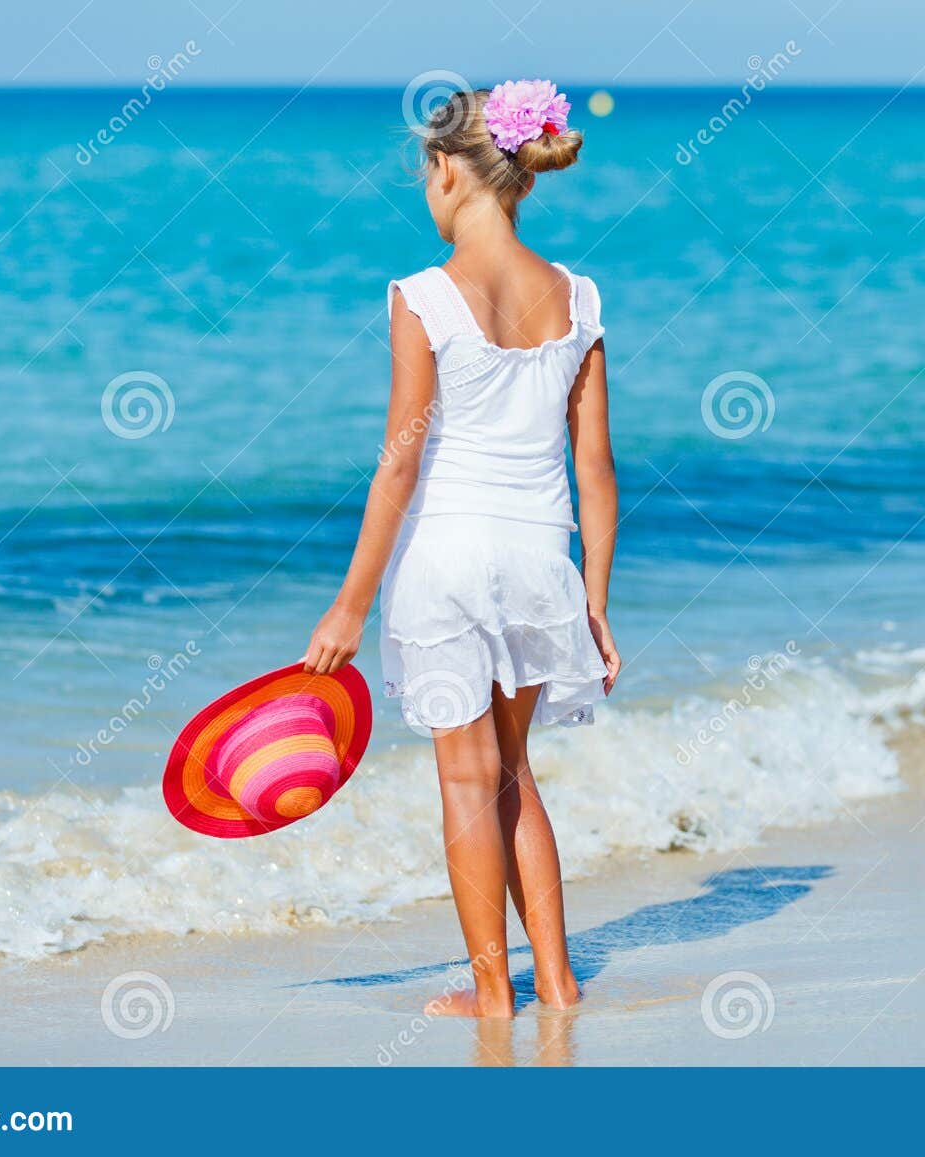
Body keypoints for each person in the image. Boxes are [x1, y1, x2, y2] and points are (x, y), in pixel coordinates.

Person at [303, 80, 621, 1018]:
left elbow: (398, 467)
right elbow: (595, 469)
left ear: (448, 172)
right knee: (517, 776)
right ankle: (556, 982)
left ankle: (493, 993)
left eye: (425, 173)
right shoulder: (578, 296)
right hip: (539, 564)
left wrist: (350, 605)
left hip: (448, 565)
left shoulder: (424, 297)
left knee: (466, 779)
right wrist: (594, 604)